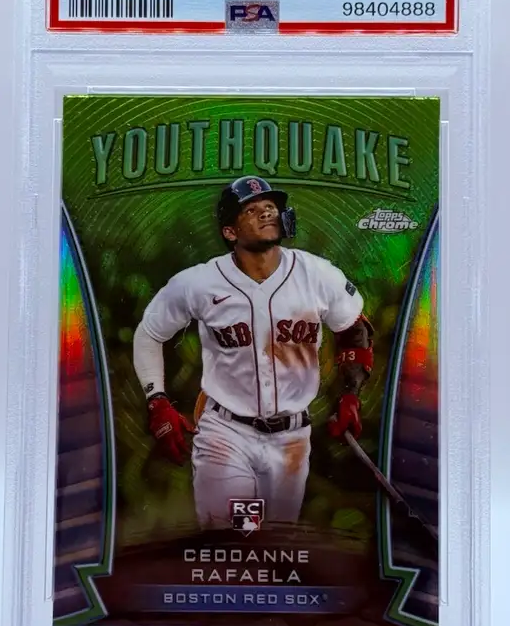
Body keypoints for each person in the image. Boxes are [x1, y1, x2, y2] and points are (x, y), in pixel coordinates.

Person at [132, 176, 374, 528]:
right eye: (251, 210)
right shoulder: (200, 282)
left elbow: (354, 329)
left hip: (293, 439)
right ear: (230, 232)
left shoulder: (317, 275)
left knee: (275, 544)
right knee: (239, 536)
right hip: (225, 434)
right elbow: (149, 332)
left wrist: (350, 395)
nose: (265, 213)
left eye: (270, 207)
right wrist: (157, 402)